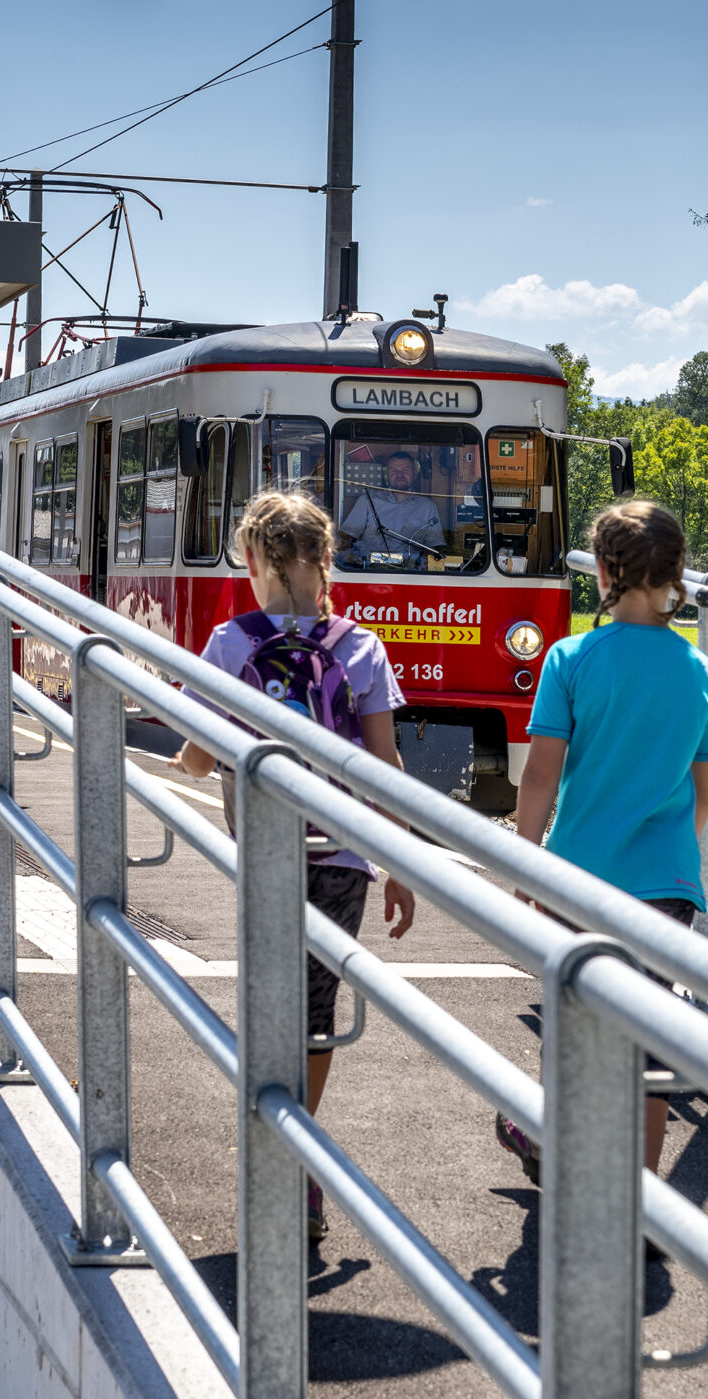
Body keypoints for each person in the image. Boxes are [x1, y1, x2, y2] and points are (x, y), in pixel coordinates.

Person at [174, 490, 417, 1242]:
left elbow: (194, 755)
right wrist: (400, 865)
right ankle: (299, 1166)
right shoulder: (360, 646)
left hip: (268, 855)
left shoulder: (230, 643)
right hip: (343, 857)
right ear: (327, 561)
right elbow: (385, 766)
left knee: (267, 1009)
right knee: (316, 1015)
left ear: (253, 559)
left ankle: (269, 1158)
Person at [507, 500, 708, 1184]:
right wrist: (673, 849)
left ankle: (549, 1141)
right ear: (676, 572)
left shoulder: (573, 657)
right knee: (647, 1040)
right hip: (665, 886)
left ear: (602, 570)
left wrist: (525, 859)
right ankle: (644, 1191)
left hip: (580, 876)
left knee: (571, 1021)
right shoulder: (699, 672)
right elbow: (706, 788)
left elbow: (541, 775)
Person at [339, 450, 446, 566]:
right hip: (368, 571)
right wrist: (352, 562)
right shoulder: (367, 501)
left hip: (411, 574)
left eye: (405, 470)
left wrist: (421, 567)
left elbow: (434, 547)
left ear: (415, 473)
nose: (400, 475)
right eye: (394, 471)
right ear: (387, 474)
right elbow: (345, 539)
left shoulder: (427, 507)